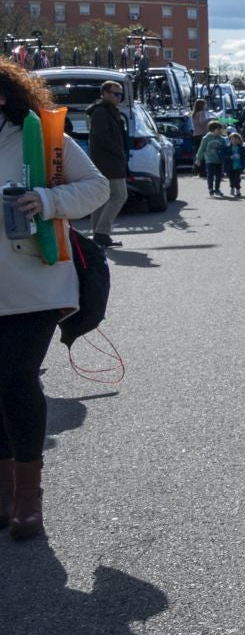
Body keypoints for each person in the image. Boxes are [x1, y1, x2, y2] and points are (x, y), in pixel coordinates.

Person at [1, 57, 110, 541]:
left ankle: (28, 497)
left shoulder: (40, 139)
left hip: (35, 286)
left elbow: (96, 188)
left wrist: (46, 200)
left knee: (15, 377)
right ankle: (4, 491)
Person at [83, 77, 130, 247]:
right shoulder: (101, 112)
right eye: (115, 94)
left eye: (120, 95)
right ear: (104, 94)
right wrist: (119, 152)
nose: (119, 97)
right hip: (108, 161)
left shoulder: (109, 111)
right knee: (119, 195)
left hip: (108, 160)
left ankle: (98, 235)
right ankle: (102, 233)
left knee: (103, 198)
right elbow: (101, 138)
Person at [195, 121, 228, 196]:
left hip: (219, 160)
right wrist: (198, 159)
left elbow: (225, 149)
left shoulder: (222, 139)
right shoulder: (206, 138)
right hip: (210, 160)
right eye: (219, 129)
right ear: (213, 129)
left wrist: (226, 158)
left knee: (219, 175)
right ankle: (210, 189)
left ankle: (217, 189)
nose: (220, 130)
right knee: (210, 175)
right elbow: (201, 149)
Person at [224, 129, 245, 196]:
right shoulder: (227, 148)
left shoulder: (242, 148)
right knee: (231, 178)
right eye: (232, 139)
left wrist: (243, 154)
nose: (234, 140)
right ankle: (232, 188)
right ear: (230, 140)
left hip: (238, 166)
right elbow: (224, 156)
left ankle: (238, 189)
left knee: (237, 178)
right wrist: (229, 157)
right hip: (230, 166)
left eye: (236, 139)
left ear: (239, 140)